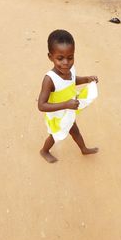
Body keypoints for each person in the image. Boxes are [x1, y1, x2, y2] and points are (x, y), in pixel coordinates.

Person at [38, 29, 99, 163]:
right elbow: (41, 105)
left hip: (69, 110)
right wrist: (66, 104)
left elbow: (72, 81)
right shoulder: (49, 80)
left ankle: (83, 149)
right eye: (60, 58)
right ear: (50, 57)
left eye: (70, 57)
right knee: (55, 135)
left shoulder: (70, 69)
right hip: (58, 115)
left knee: (74, 130)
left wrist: (86, 79)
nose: (66, 63)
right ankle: (44, 151)